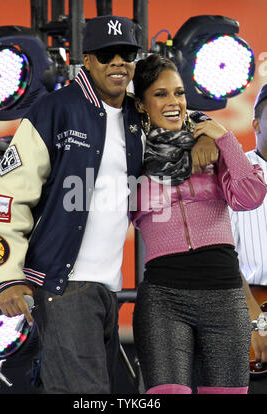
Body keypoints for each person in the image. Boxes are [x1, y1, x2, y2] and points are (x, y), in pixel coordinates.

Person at [0, 15, 144, 394]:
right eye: (107, 55)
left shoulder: (139, 116)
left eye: (127, 54)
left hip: (108, 288)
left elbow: (179, 118)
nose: (118, 62)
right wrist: (7, 276)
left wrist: (205, 129)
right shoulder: (55, 109)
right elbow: (5, 197)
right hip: (64, 285)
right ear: (86, 60)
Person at [131, 53, 267, 394]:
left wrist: (223, 138)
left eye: (179, 93)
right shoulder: (129, 151)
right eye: (161, 94)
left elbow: (250, 196)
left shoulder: (210, 140)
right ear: (142, 104)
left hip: (224, 294)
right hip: (164, 295)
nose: (174, 101)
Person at [229, 83, 267, 393]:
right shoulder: (234, 171)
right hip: (250, 305)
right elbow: (220, 252)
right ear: (255, 123)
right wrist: (254, 317)